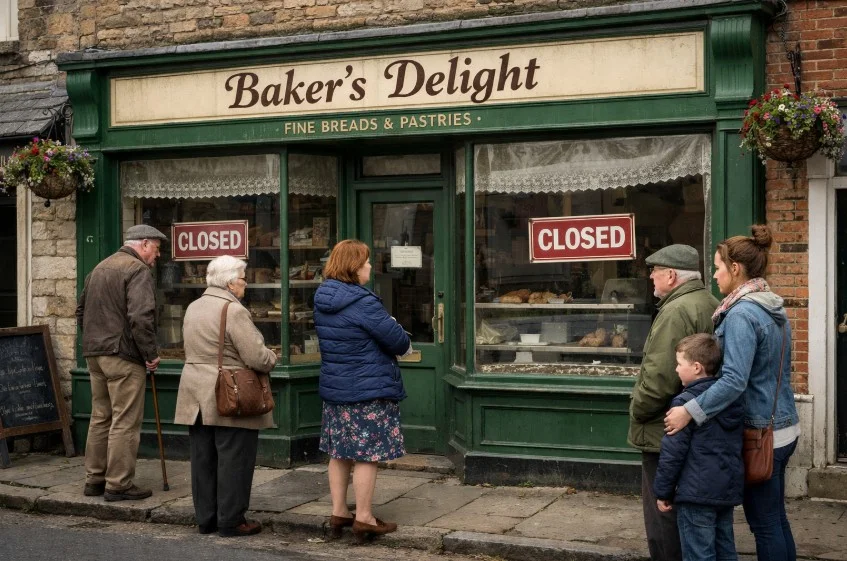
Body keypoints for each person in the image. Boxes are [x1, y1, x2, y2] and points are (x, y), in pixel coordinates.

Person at [664, 225, 800, 561]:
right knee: (775, 518)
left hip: (760, 431)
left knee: (765, 523)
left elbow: (734, 380)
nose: (714, 274)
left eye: (718, 267)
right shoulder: (773, 308)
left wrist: (689, 410)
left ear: (735, 269)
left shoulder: (741, 314)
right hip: (783, 424)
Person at [313, 239, 411, 543]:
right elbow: (398, 342)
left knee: (339, 452)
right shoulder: (362, 301)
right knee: (367, 454)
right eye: (366, 262)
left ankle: (340, 511)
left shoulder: (322, 297)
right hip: (368, 389)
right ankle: (365, 517)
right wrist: (395, 326)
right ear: (354, 267)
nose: (370, 266)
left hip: (336, 388)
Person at [173, 255, 277, 537]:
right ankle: (231, 520)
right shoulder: (233, 310)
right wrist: (272, 357)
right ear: (230, 282)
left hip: (195, 392)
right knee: (234, 458)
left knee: (203, 459)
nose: (245, 285)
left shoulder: (193, 306)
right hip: (230, 392)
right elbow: (256, 357)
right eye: (243, 279)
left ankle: (206, 519)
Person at [628, 243, 719, 561]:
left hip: (663, 430)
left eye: (654, 271)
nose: (651, 277)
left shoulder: (675, 311)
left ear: (671, 274)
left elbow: (659, 378)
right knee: (692, 518)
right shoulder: (708, 301)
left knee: (663, 514)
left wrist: (637, 411)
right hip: (696, 425)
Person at [75, 224, 167, 501]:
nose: (158, 255)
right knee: (124, 421)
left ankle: (95, 480)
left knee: (101, 418)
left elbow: (80, 311)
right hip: (123, 355)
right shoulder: (137, 270)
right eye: (157, 248)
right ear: (144, 244)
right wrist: (150, 354)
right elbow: (141, 318)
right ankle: (118, 484)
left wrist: (93, 340)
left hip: (95, 354)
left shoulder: (99, 267)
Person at [654, 334, 744, 561]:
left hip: (695, 494)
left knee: (698, 554)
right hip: (725, 489)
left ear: (696, 367)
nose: (675, 369)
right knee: (726, 550)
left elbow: (672, 454)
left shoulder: (683, 405)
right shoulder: (729, 399)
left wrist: (663, 491)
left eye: (679, 364)